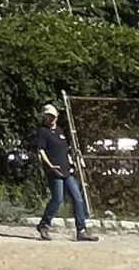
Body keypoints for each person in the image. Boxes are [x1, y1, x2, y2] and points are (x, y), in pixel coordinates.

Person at [33, 102, 97, 242]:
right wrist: (50, 166)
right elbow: (41, 151)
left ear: (56, 116)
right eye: (47, 116)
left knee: (77, 198)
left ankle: (81, 230)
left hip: (66, 170)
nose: (50, 119)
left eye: (52, 116)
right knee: (58, 198)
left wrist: (71, 161)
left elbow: (65, 149)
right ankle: (44, 225)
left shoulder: (61, 132)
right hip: (53, 171)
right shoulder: (42, 132)